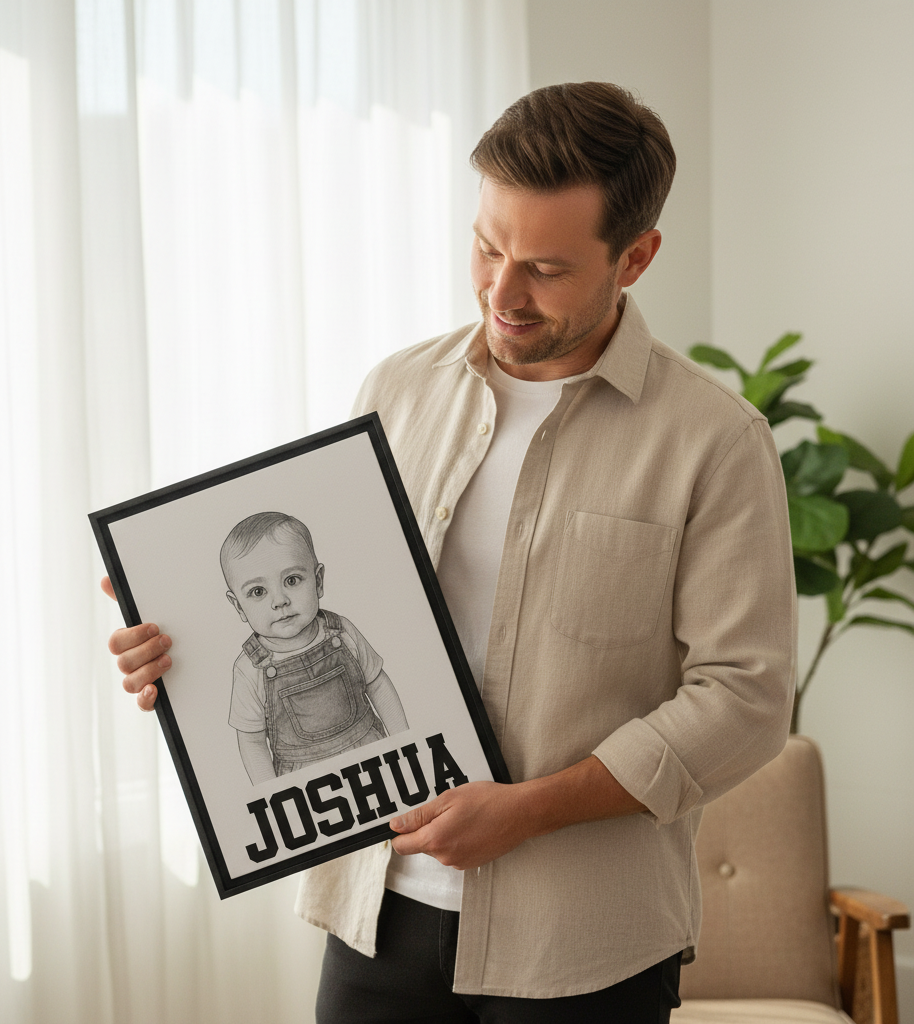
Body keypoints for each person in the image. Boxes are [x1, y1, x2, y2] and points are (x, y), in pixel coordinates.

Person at [104, 82, 795, 1022]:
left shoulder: (714, 441)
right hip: (378, 910)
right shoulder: (396, 390)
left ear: (636, 256)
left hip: (585, 945)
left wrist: (532, 807)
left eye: (545, 269)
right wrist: (175, 646)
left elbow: (745, 698)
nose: (501, 293)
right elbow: (318, 610)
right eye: (486, 247)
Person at [220, 510, 408, 784]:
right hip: (306, 784)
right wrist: (273, 795)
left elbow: (378, 685)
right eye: (258, 592)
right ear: (239, 606)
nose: (280, 600)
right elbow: (252, 741)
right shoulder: (250, 668)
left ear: (318, 581)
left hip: (373, 757)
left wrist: (405, 742)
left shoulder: (342, 631)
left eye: (292, 580)